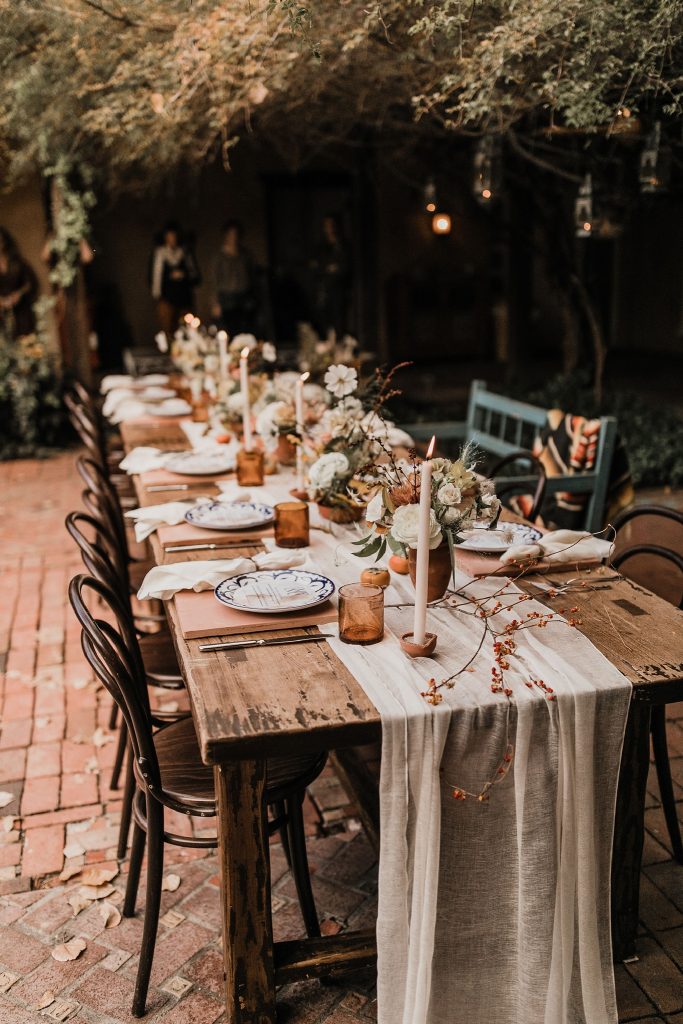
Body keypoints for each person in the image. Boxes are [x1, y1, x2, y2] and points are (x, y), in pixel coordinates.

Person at [150, 222, 199, 334]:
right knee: (168, 330)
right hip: (167, 299)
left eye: (174, 236)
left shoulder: (185, 253)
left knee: (187, 331)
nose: (172, 239)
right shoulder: (160, 254)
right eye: (169, 236)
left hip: (184, 299)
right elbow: (155, 278)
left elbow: (195, 275)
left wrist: (183, 275)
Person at [211, 219, 255, 336]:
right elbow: (215, 281)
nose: (233, 237)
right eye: (231, 234)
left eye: (236, 234)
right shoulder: (220, 257)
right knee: (230, 331)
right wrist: (216, 303)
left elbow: (251, 275)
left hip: (244, 298)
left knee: (246, 331)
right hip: (227, 299)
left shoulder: (245, 255)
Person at [311, 213, 350, 339]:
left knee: (339, 320)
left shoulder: (342, 246)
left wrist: (334, 269)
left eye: (332, 225)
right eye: (327, 226)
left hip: (339, 289)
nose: (330, 229)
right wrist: (328, 269)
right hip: (324, 288)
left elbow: (344, 267)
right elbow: (317, 266)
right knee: (324, 320)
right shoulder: (321, 247)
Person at [0, 227, 38, 340]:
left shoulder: (16, 261)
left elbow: (31, 282)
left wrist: (18, 295)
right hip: (2, 314)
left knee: (26, 342)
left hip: (21, 311)